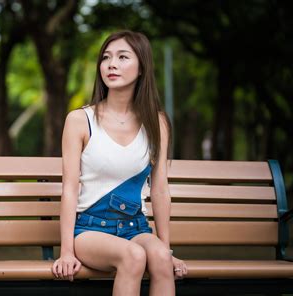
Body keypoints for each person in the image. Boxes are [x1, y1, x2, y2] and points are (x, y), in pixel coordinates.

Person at [51, 30, 188, 295]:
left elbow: (159, 189)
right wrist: (66, 252)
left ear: (141, 69)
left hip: (135, 227)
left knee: (158, 257)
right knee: (134, 256)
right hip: (89, 230)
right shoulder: (80, 120)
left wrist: (166, 250)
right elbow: (69, 189)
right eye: (106, 58)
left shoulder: (157, 123)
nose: (111, 64)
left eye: (123, 57)